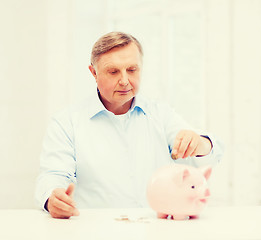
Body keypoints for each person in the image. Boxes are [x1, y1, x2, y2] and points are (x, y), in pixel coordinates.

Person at [35, 32, 223, 219]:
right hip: (95, 230)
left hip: (155, 230)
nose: (124, 81)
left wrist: (201, 144)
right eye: (113, 71)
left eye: (132, 70)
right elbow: (53, 175)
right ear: (93, 72)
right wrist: (53, 197)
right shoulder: (66, 123)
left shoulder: (160, 114)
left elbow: (210, 154)